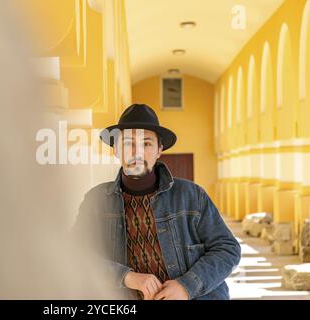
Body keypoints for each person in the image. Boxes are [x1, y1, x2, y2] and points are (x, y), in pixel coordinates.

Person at [73, 104, 241, 300]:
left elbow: (228, 249)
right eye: (128, 143)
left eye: (146, 144)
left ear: (159, 150)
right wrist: (126, 277)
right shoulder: (96, 201)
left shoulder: (191, 195)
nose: (137, 152)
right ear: (116, 150)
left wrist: (186, 287)